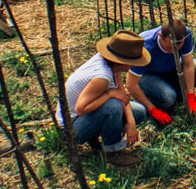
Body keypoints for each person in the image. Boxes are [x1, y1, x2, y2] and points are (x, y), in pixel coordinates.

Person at [57, 30, 149, 166]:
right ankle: (114, 152)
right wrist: (110, 94)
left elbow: (122, 96)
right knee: (113, 107)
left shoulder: (112, 67)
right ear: (121, 62)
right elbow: (80, 108)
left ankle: (101, 138)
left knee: (138, 112)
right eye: (132, 62)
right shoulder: (102, 77)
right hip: (72, 129)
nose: (133, 66)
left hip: (85, 117)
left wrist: (131, 123)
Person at [126, 19, 196, 126]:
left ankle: (174, 94)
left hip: (171, 69)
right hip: (147, 76)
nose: (173, 52)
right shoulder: (144, 46)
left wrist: (191, 97)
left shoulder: (185, 34)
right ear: (160, 36)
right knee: (169, 98)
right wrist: (153, 110)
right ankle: (154, 98)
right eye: (169, 48)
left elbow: (188, 64)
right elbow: (131, 84)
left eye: (177, 49)